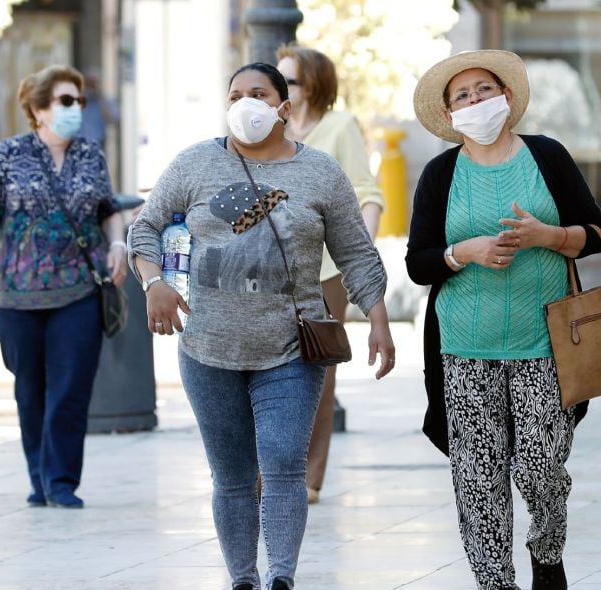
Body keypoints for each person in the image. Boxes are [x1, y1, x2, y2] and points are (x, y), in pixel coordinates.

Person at [128, 62, 395, 590]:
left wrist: (379, 323)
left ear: (284, 108)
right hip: (208, 350)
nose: (245, 103)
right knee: (230, 478)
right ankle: (243, 579)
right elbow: (146, 228)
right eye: (235, 95)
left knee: (281, 464)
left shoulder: (320, 173)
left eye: (258, 93)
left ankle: (281, 577)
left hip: (291, 349)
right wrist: (153, 283)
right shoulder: (194, 165)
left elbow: (357, 255)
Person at [406, 50, 601, 590]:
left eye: (484, 90)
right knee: (478, 478)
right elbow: (418, 262)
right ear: (450, 116)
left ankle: (547, 551)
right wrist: (462, 252)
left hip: (545, 344)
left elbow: (594, 231)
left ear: (508, 98)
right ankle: (495, 582)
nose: (476, 101)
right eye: (462, 96)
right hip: (463, 348)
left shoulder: (547, 157)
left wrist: (550, 237)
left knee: (542, 469)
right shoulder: (440, 174)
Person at [0, 65, 127, 510]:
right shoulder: (9, 154)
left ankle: (61, 481)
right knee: (30, 389)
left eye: (78, 101)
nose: (75, 108)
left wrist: (116, 243)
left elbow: (107, 208)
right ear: (38, 109)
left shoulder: (91, 155)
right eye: (64, 101)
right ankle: (39, 477)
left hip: (79, 289)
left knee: (71, 389)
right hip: (16, 293)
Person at [276, 44, 384, 505]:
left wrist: (357, 258)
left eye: (290, 81)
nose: (281, 90)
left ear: (313, 84)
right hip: (268, 272)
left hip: (325, 273)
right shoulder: (271, 129)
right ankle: (272, 469)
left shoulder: (339, 128)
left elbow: (367, 192)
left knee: (317, 373)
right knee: (270, 368)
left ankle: (308, 477)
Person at [75, 70, 119, 147]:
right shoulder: (78, 100)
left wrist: (100, 97)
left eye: (94, 83)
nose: (92, 87)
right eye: (89, 83)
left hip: (98, 144)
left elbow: (113, 120)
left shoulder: (107, 101)